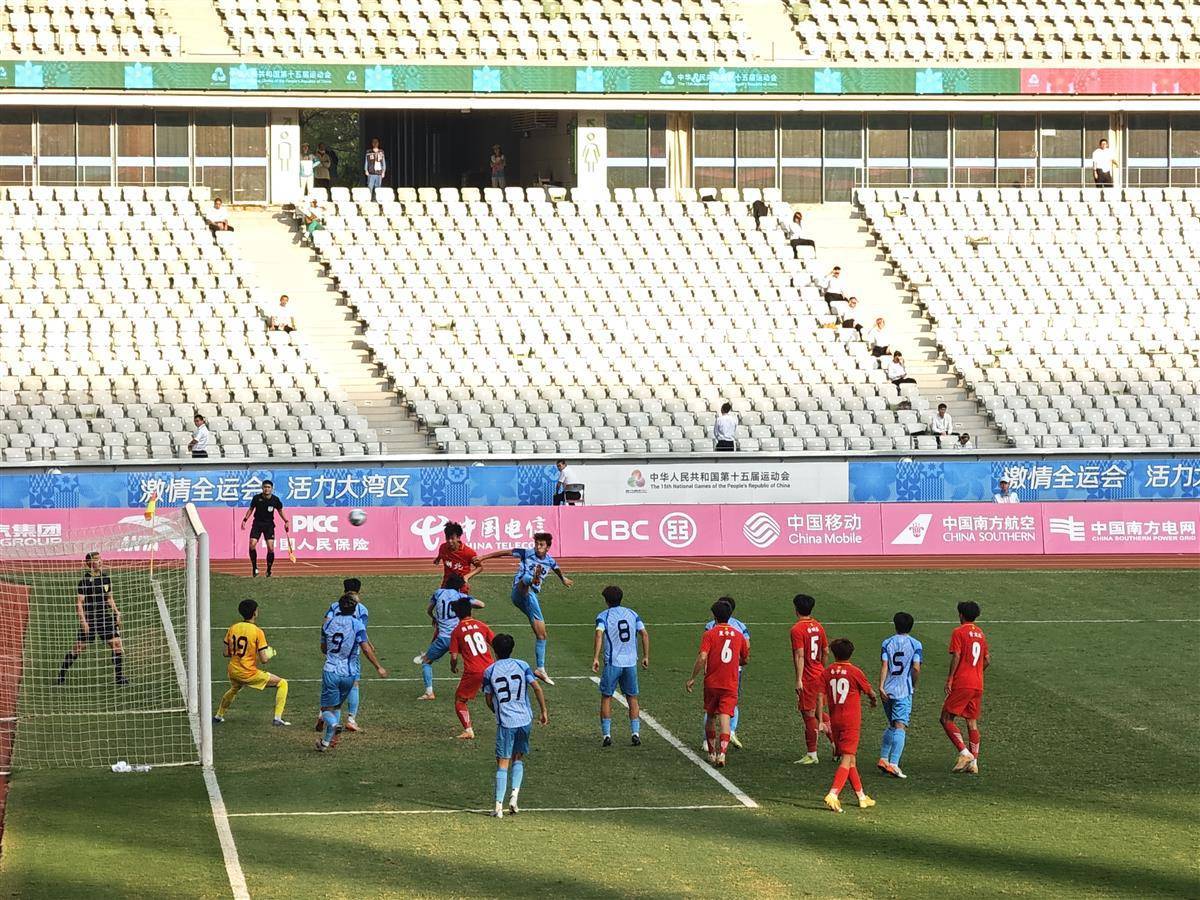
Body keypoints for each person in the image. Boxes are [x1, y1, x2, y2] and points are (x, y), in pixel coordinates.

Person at [478, 533, 573, 685]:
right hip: (519, 591)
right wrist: (483, 557)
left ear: (548, 547)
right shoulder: (526, 553)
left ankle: (540, 669)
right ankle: (532, 579)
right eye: (536, 544)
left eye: (541, 545)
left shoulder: (550, 561)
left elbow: (556, 568)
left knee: (542, 635)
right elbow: (506, 552)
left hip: (530, 599)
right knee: (525, 580)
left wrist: (563, 579)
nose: (538, 547)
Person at [483, 633, 549, 817]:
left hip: (506, 722)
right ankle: (514, 797)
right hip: (525, 720)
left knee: (502, 762)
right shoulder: (522, 665)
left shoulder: (489, 671)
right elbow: (537, 687)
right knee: (518, 757)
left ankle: (498, 807)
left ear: (494, 650)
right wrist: (543, 711)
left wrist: (496, 710)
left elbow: (488, 699)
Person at [316, 592, 387, 751]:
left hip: (331, 670)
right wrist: (378, 667)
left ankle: (334, 724)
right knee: (337, 706)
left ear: (339, 607)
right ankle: (326, 743)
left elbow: (323, 648)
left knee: (327, 709)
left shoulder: (328, 623)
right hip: (349, 673)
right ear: (355, 609)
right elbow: (366, 649)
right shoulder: (358, 625)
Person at [685, 598, 748, 769]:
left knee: (711, 716)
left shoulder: (710, 634)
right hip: (730, 682)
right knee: (725, 717)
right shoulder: (738, 635)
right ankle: (723, 753)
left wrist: (692, 677)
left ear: (714, 616)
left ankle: (712, 753)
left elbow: (702, 656)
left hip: (712, 682)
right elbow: (745, 658)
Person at [820, 639, 877, 813]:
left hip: (835, 719)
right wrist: (873, 700)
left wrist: (821, 720)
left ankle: (861, 797)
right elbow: (870, 692)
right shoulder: (855, 672)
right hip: (851, 721)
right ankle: (833, 793)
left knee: (851, 758)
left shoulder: (827, 672)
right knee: (847, 758)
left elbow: (820, 695)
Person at [214, 599, 289, 726]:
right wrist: (269, 654)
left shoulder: (233, 628)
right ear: (255, 613)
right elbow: (264, 660)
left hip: (233, 671)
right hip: (248, 673)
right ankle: (277, 718)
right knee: (282, 683)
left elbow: (226, 653)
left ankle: (218, 716)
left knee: (235, 688)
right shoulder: (257, 632)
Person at [55, 551, 127, 686]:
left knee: (116, 644)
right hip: (90, 619)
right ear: (89, 563)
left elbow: (109, 598)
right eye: (96, 559)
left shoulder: (106, 579)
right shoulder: (84, 581)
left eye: (100, 559)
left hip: (104, 617)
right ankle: (61, 674)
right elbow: (79, 603)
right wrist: (83, 622)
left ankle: (119, 677)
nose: (100, 561)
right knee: (79, 647)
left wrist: (117, 612)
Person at [592, 585, 649, 748]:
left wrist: (596, 657)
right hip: (630, 662)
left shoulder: (604, 616)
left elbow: (599, 633)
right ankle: (635, 733)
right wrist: (645, 656)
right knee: (632, 698)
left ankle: (607, 735)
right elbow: (644, 633)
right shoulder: (632, 614)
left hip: (613, 662)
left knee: (606, 696)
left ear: (606, 601)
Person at [414, 572, 484, 701]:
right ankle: (483, 685)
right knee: (475, 660)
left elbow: (429, 610)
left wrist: (434, 618)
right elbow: (481, 604)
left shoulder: (438, 593)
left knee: (426, 662)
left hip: (444, 638)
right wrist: (466, 602)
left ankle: (429, 693)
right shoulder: (460, 596)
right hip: (460, 637)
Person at [940, 601, 989, 775]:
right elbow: (987, 660)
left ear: (961, 614)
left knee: (946, 718)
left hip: (963, 682)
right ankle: (974, 763)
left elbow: (957, 655)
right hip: (978, 684)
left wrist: (950, 678)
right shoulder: (981, 634)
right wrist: (977, 673)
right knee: (971, 721)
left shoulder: (959, 632)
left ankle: (965, 753)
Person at [700, 597, 749, 750]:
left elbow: (705, 652)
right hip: (733, 672)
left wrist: (704, 668)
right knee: (730, 705)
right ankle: (730, 733)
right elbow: (746, 648)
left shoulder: (710, 627)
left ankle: (707, 741)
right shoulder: (740, 626)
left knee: (710, 710)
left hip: (714, 671)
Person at [878, 612, 923, 779]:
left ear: (895, 625)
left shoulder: (887, 642)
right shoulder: (915, 644)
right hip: (903, 691)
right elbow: (916, 668)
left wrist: (881, 686)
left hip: (887, 689)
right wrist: (913, 684)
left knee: (892, 724)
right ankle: (894, 764)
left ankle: (884, 758)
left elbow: (884, 665)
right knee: (900, 726)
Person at [790, 593, 832, 765]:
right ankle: (835, 742)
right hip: (819, 673)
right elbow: (826, 651)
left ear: (796, 609)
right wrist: (821, 668)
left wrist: (798, 679)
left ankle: (812, 754)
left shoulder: (797, 629)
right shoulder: (818, 626)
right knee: (816, 711)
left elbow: (800, 655)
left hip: (808, 677)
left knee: (808, 713)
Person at [323, 578, 368, 731]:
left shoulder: (335, 605)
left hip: (333, 652)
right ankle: (351, 719)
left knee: (330, 687)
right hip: (351, 654)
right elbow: (361, 631)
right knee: (354, 684)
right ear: (359, 590)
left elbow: (325, 623)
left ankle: (324, 715)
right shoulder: (361, 609)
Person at [448, 598, 495, 740]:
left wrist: (453, 667)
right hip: (491, 668)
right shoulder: (482, 625)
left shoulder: (456, 631)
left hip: (473, 671)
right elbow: (495, 644)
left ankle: (468, 730)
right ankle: (508, 720)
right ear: (470, 610)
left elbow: (454, 657)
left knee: (460, 700)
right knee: (493, 698)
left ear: (457, 614)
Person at [240, 479, 294, 577]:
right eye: (265, 487)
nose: (266, 489)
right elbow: (251, 509)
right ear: (262, 488)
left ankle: (269, 570)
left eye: (269, 487)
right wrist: (245, 520)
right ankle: (254, 567)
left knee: (270, 548)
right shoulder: (256, 498)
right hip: (257, 524)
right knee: (252, 544)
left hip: (269, 525)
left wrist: (286, 521)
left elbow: (280, 511)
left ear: (272, 489)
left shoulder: (275, 500)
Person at [433, 521, 480, 587]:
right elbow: (440, 555)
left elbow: (479, 567)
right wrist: (437, 559)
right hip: (446, 585)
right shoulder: (443, 547)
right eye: (447, 538)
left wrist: (467, 576)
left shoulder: (468, 552)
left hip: (461, 588)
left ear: (458, 538)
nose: (450, 541)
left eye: (452, 538)